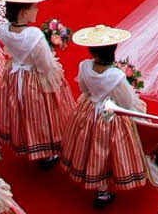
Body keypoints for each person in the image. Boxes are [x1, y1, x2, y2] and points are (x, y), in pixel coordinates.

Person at [60, 25, 147, 208]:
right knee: (112, 149)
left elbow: (84, 89)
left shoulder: (84, 66)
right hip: (111, 114)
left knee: (92, 147)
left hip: (90, 109)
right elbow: (126, 101)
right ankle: (110, 182)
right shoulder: (116, 75)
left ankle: (102, 189)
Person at [0, 0, 75, 170]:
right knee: (43, 112)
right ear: (24, 12)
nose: (37, 10)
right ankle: (47, 149)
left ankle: (28, 143)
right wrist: (53, 51)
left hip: (15, 74)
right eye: (34, 7)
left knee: (22, 111)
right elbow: (44, 65)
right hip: (33, 77)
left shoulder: (3, 29)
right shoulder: (35, 35)